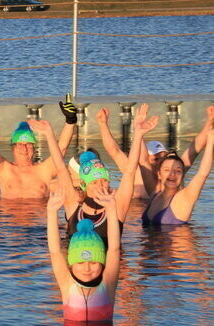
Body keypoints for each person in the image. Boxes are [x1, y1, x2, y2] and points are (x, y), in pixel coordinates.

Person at [62, 110, 158, 243]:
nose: (100, 186)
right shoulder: (73, 204)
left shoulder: (117, 206)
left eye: (104, 181)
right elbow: (60, 166)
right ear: (83, 184)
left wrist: (138, 134)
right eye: (94, 182)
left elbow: (129, 172)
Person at [99, 104, 213, 199]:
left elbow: (194, 149)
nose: (159, 162)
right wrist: (103, 124)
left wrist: (209, 121)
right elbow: (114, 151)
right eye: (155, 159)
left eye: (162, 158)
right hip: (138, 219)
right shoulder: (135, 171)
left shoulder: (173, 171)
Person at [47, 185, 121, 323]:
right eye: (80, 262)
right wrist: (51, 212)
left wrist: (111, 209)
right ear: (71, 264)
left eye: (93, 263)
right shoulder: (67, 284)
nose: (87, 268)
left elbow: (114, 249)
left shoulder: (108, 285)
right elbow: (55, 251)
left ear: (102, 264)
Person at [0, 96, 76, 199]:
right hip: (7, 215)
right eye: (20, 144)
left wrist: (70, 121)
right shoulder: (3, 170)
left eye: (28, 144)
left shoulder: (44, 171)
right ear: (12, 147)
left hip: (37, 215)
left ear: (34, 148)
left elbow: (61, 148)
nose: (24, 148)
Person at [141, 125, 213, 226]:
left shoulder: (185, 198)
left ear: (182, 175)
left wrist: (210, 142)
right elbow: (143, 161)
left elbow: (202, 174)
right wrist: (139, 132)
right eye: (167, 170)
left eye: (178, 171)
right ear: (159, 174)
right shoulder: (155, 194)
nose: (172, 174)